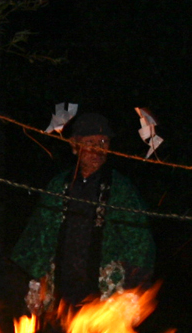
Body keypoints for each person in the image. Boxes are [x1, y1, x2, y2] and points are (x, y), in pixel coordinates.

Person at [11, 110, 155, 313]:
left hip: (105, 294)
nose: (98, 150)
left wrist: (133, 290)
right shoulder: (58, 185)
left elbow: (140, 242)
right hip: (61, 288)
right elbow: (39, 234)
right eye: (90, 143)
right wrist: (35, 280)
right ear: (74, 145)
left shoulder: (121, 189)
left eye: (103, 142)